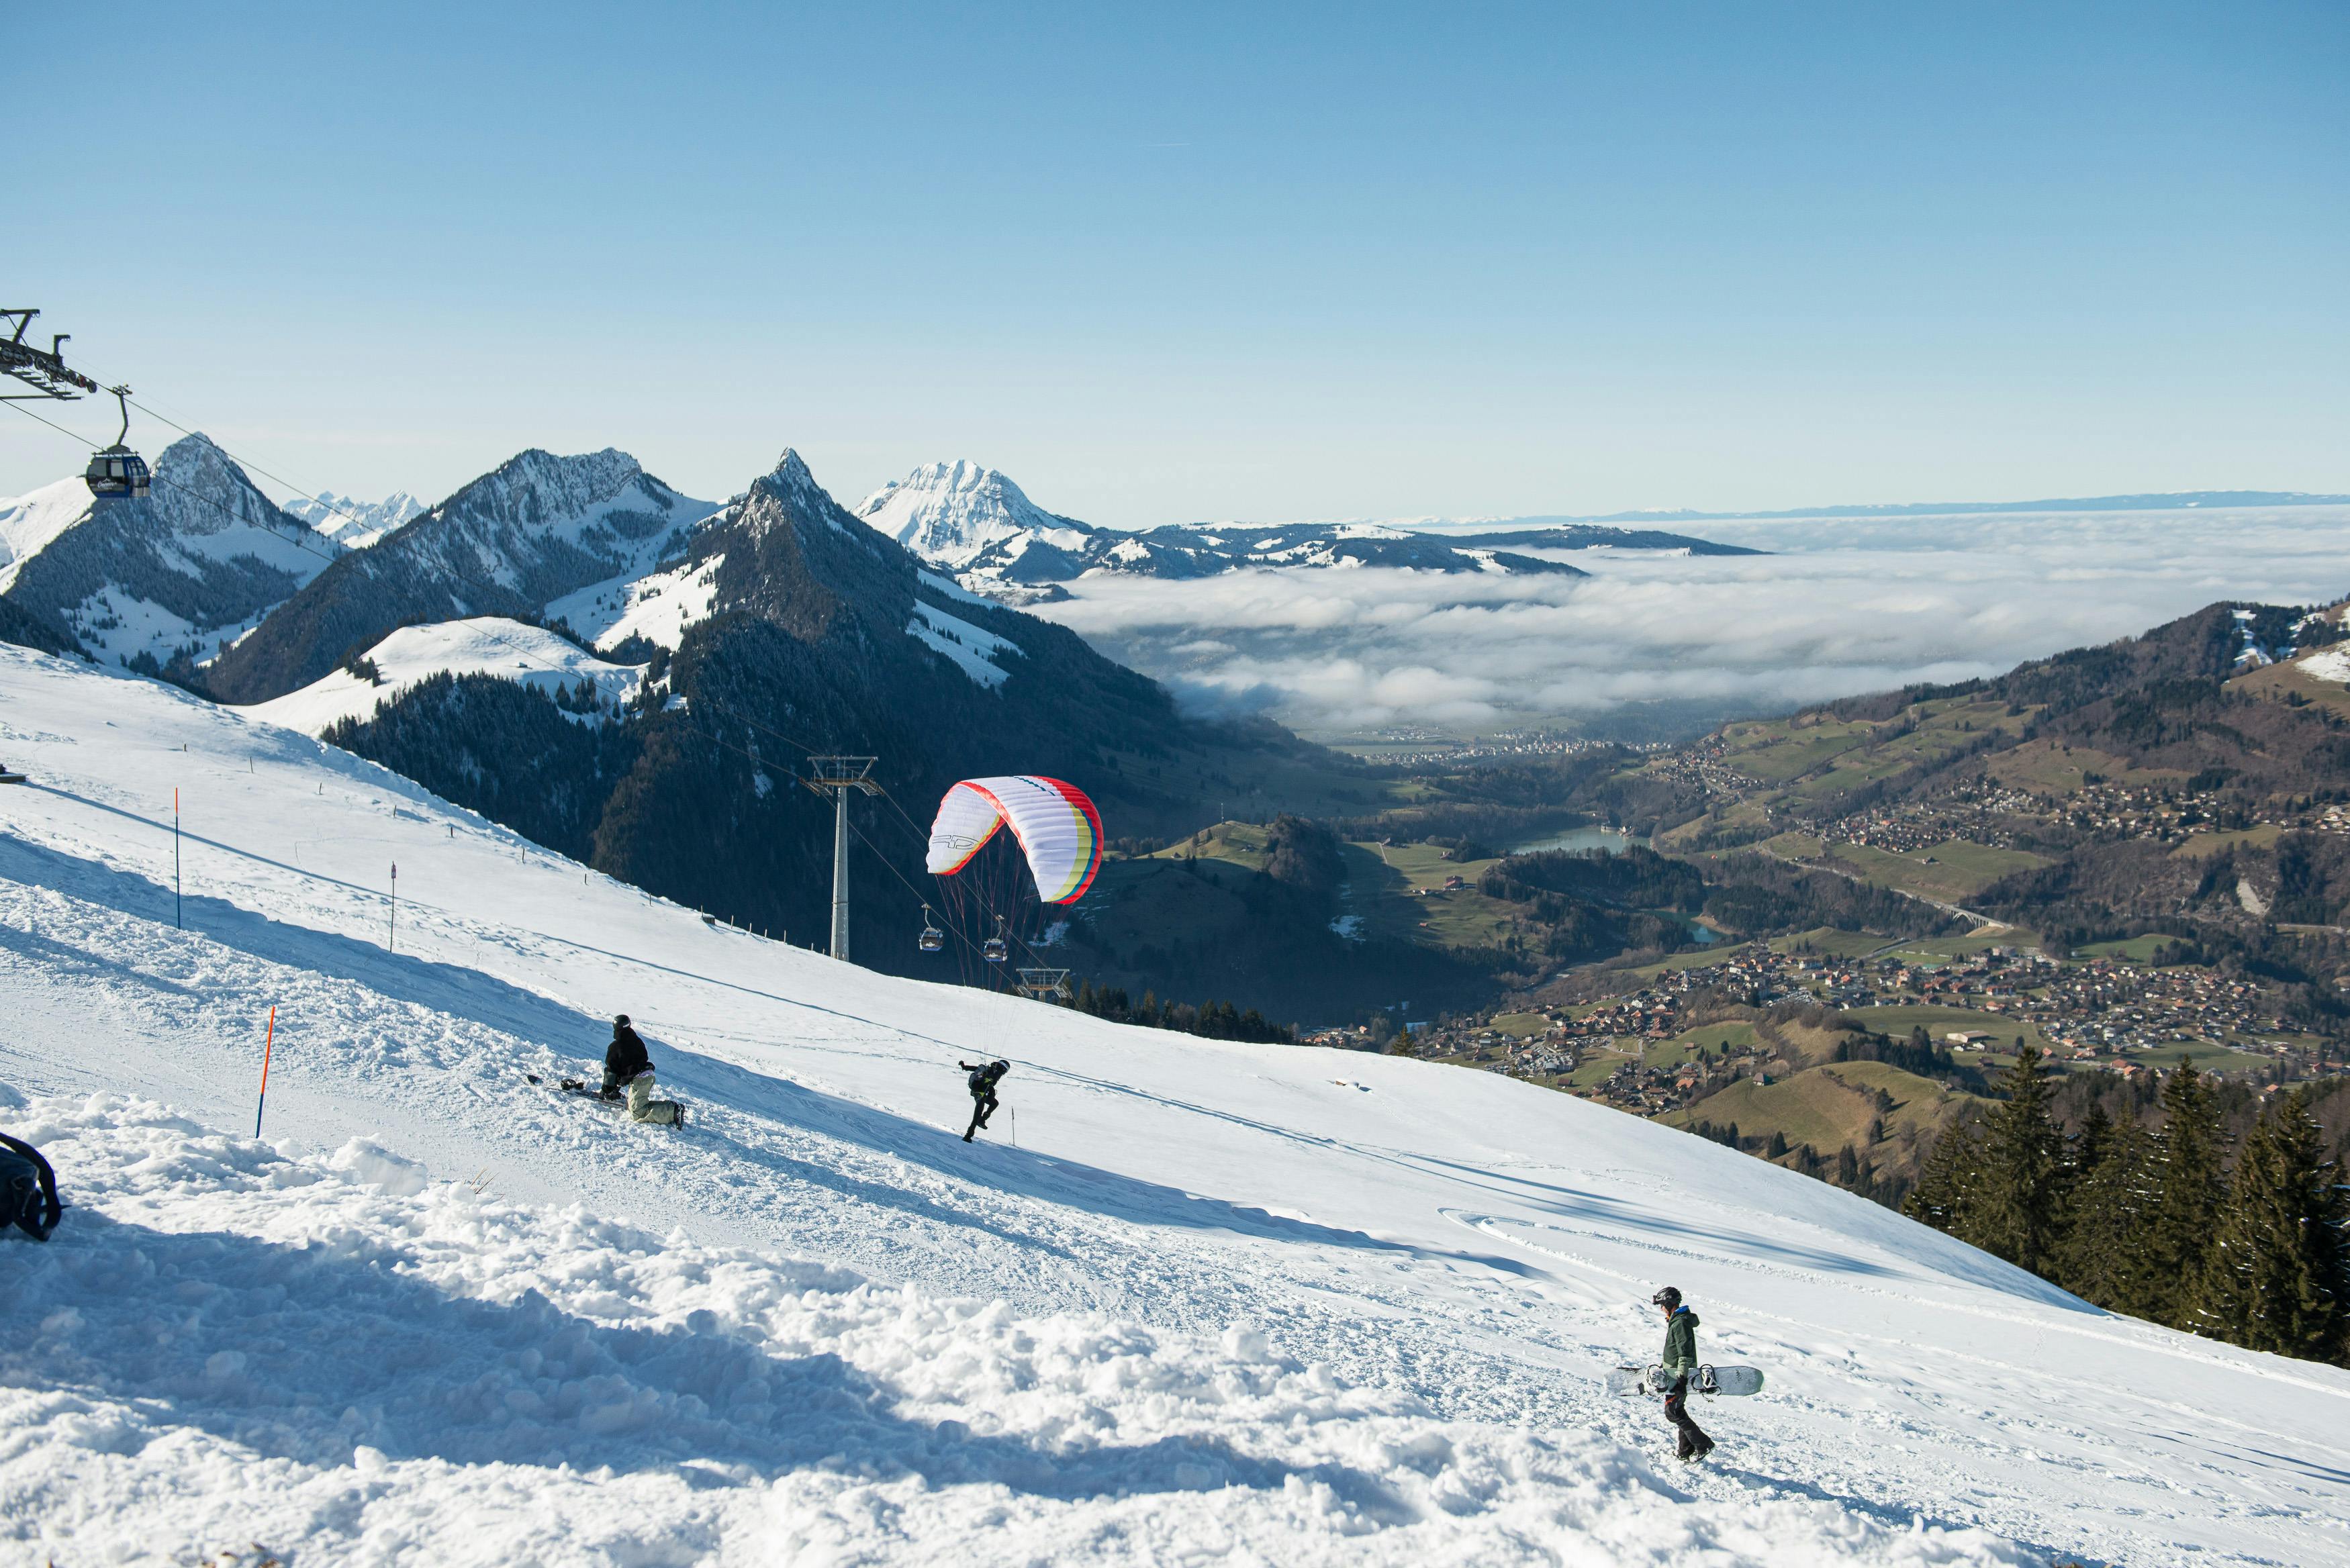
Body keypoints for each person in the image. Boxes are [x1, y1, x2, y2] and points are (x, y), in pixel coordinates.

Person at [1652, 1285, 1714, 1461]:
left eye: (1662, 1304)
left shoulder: (1680, 1323)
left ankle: (1703, 1444)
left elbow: (1685, 1353)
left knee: (1673, 1412)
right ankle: (1685, 1451)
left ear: (1670, 1303)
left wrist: (1681, 1378)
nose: (1661, 1308)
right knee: (1677, 1410)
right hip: (1673, 1373)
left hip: (1679, 1375)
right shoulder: (1677, 1320)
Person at [603, 1014, 682, 1127]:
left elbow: (612, 1071)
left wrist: (607, 1090)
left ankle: (672, 1112)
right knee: (640, 1105)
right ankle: (669, 1107)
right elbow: (638, 1060)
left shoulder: (615, 1047)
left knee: (637, 1114)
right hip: (647, 1076)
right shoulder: (637, 1041)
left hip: (639, 1080)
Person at [957, 1059, 1008, 1142]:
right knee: (977, 1115)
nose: (1003, 1074)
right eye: (1004, 1072)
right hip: (979, 1093)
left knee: (995, 1103)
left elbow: (975, 1069)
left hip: (984, 1094)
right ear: (1002, 1069)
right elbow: (977, 1072)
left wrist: (964, 1067)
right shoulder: (990, 1072)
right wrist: (964, 1067)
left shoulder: (991, 1071)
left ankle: (982, 1120)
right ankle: (968, 1136)